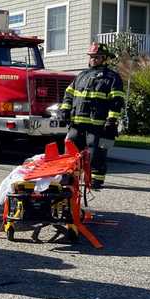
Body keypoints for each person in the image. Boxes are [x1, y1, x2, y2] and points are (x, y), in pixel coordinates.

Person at [60, 42, 124, 189]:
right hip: (77, 124)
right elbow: (69, 94)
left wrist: (112, 120)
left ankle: (96, 180)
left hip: (98, 125)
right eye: (92, 57)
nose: (93, 59)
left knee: (96, 153)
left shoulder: (112, 78)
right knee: (70, 150)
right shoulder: (81, 76)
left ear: (105, 59)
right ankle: (68, 177)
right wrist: (65, 110)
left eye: (97, 57)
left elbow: (116, 101)